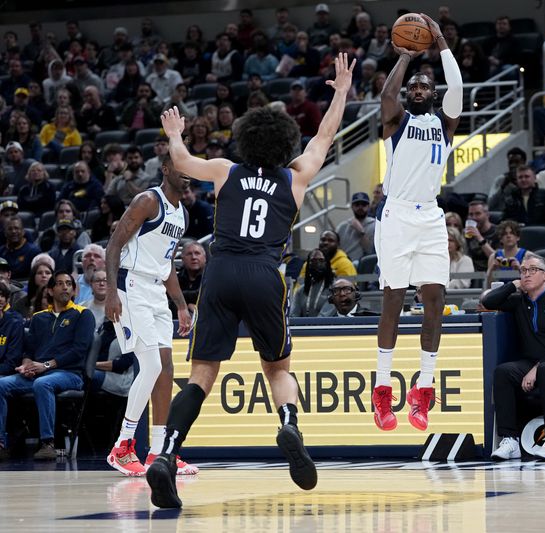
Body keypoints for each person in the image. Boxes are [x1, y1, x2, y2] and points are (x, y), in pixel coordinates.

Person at [145, 52, 355, 508]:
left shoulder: (225, 170)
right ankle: (288, 426)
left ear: (245, 140)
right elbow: (324, 136)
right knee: (277, 367)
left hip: (221, 272)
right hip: (265, 272)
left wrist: (176, 134)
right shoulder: (295, 178)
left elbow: (180, 161)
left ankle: (165, 456)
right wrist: (339, 91)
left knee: (201, 375)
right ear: (283, 144)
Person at [370, 15, 462, 433]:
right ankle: (382, 389)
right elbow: (387, 94)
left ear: (435, 94)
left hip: (431, 216)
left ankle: (423, 390)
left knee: (435, 303)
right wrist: (404, 59)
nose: (419, 91)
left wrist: (440, 41)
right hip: (397, 214)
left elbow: (457, 88)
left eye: (426, 87)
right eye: (415, 89)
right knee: (392, 302)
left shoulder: (445, 125)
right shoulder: (399, 121)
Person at [103, 152, 195, 477]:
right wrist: (112, 292)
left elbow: (166, 263)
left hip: (156, 291)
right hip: (131, 285)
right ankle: (123, 446)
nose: (187, 175)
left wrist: (181, 304)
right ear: (166, 169)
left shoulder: (181, 214)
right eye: (181, 170)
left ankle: (159, 452)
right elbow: (113, 245)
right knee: (152, 364)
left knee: (166, 367)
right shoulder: (146, 201)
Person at [482, 253, 545, 461]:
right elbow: (487, 301)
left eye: (532, 270)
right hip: (529, 362)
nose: (526, 274)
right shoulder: (518, 301)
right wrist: (512, 285)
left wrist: (536, 368)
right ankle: (510, 440)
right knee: (503, 372)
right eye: (523, 270)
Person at [0, 271, 95, 461]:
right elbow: (29, 350)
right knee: (1, 384)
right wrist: (26, 365)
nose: (65, 287)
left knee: (43, 384)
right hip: (38, 373)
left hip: (70, 374)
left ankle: (47, 443)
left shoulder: (83, 314)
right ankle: (1, 443)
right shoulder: (39, 317)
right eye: (59, 284)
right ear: (50, 291)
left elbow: (79, 351)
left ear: (75, 291)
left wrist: (45, 365)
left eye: (68, 284)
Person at [290, 249, 334, 318]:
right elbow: (293, 316)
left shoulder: (334, 289)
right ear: (308, 265)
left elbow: (324, 317)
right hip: (301, 327)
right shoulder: (301, 291)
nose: (317, 263)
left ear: (327, 263)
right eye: (313, 261)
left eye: (321, 260)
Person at [336, 192, 375, 263]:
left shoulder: (374, 225)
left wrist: (361, 231)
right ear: (352, 206)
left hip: (367, 266)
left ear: (368, 206)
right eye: (357, 205)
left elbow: (370, 251)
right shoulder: (342, 227)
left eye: (363, 205)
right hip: (345, 264)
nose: (360, 207)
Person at [463, 199, 498, 272]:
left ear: (487, 215)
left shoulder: (498, 232)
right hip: (472, 273)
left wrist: (479, 237)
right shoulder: (466, 233)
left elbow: (497, 259)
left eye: (478, 214)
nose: (474, 218)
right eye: (471, 214)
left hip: (493, 272)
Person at [0, 284, 23, 379]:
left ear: (7, 300)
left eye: (2, 295)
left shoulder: (14, 324)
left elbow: (12, 364)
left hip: (5, 375)